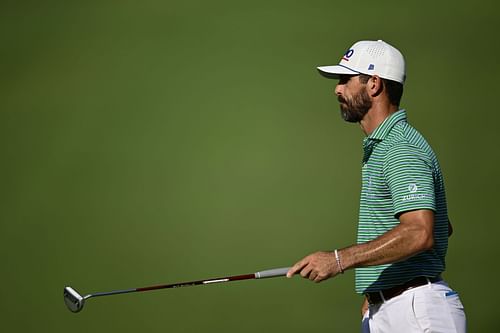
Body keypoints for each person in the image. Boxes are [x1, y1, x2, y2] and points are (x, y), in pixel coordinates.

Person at [286, 40, 466, 333]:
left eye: (345, 80)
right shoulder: (382, 146)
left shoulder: (400, 148)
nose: (337, 89)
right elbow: (441, 226)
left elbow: (421, 232)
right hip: (391, 308)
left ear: (373, 84)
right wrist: (381, 285)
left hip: (416, 313)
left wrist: (338, 260)